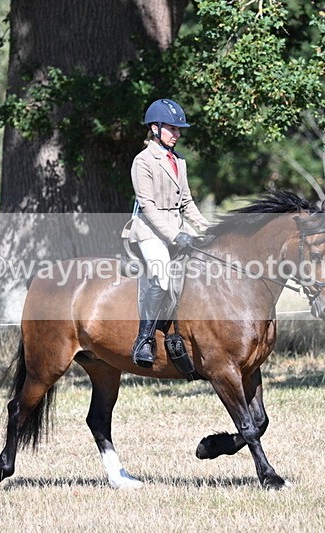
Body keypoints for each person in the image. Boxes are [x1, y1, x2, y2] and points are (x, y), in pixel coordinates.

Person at [127, 98, 211, 368]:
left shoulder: (179, 160)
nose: (177, 134)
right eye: (172, 129)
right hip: (149, 232)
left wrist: (208, 230)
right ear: (155, 128)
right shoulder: (143, 161)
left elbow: (186, 203)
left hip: (177, 229)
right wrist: (175, 236)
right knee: (162, 275)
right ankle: (144, 339)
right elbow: (148, 207)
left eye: (178, 129)